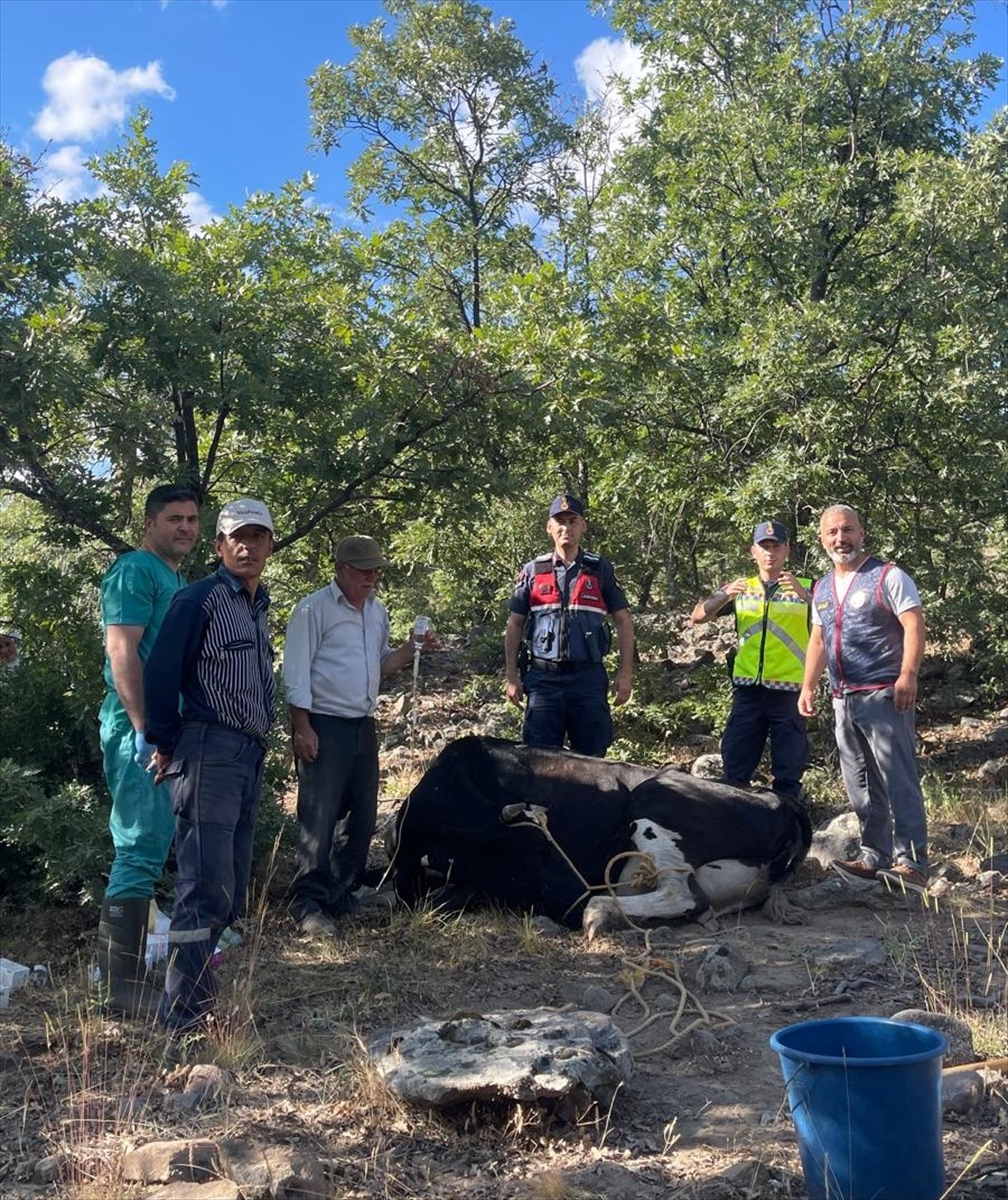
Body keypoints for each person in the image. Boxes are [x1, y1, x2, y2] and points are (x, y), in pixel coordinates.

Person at [144, 497, 277, 1034]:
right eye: (236, 538)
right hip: (208, 750)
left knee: (229, 887)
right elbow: (159, 675)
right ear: (219, 546)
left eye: (258, 537)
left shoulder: (258, 603)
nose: (247, 546)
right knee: (202, 885)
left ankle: (202, 996)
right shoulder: (197, 600)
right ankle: (185, 1017)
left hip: (247, 753)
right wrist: (169, 739)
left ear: (270, 546)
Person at [283, 535, 434, 937]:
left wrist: (411, 649)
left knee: (361, 814)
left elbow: (380, 664)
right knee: (320, 813)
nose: (372, 577)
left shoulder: (376, 612)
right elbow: (295, 672)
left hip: (362, 721)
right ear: (341, 570)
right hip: (324, 721)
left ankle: (342, 891)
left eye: (376, 570)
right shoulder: (313, 609)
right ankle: (308, 902)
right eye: (364, 570)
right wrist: (302, 727)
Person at [96, 483, 201, 1016]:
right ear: (150, 523)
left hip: (167, 727)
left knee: (157, 841)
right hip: (137, 728)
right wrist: (143, 727)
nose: (184, 527)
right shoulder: (135, 570)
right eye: (173, 519)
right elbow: (122, 647)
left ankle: (133, 971)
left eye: (190, 519)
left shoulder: (172, 576)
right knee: (138, 845)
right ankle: (118, 987)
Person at [798, 504, 929, 893]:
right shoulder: (820, 587)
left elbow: (913, 623)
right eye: (833, 533)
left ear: (862, 533)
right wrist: (807, 686)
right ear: (822, 540)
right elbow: (818, 640)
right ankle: (875, 856)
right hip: (843, 698)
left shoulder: (888, 576)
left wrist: (908, 675)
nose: (842, 539)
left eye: (848, 530)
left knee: (898, 778)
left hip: (885, 695)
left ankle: (913, 864)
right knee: (860, 784)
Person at [504, 494, 634, 757]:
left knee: (592, 760)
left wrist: (625, 674)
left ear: (583, 526)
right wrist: (511, 676)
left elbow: (623, 620)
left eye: (573, 521)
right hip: (543, 679)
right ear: (549, 527)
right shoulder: (533, 570)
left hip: (587, 679)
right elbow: (515, 624)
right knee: (539, 760)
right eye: (559, 521)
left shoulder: (599, 569)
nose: (566, 527)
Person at [690, 521, 812, 800]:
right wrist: (724, 594)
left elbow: (830, 621)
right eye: (764, 546)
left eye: (776, 546)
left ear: (787, 550)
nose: (770, 553)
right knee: (735, 768)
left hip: (789, 691)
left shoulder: (806, 587)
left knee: (788, 772)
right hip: (748, 691)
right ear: (753, 552)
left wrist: (805, 596)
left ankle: (787, 831)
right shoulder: (742, 589)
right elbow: (698, 615)